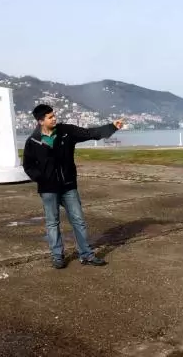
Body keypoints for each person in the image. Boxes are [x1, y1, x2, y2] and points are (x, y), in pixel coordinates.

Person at [23, 104, 124, 269]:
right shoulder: (33, 141)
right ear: (41, 121)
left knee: (78, 221)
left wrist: (112, 127)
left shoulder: (66, 131)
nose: (54, 118)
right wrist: (41, 178)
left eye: (54, 115)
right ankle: (57, 257)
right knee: (52, 223)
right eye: (50, 117)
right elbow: (28, 165)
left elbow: (90, 133)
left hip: (68, 186)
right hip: (48, 189)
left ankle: (87, 254)